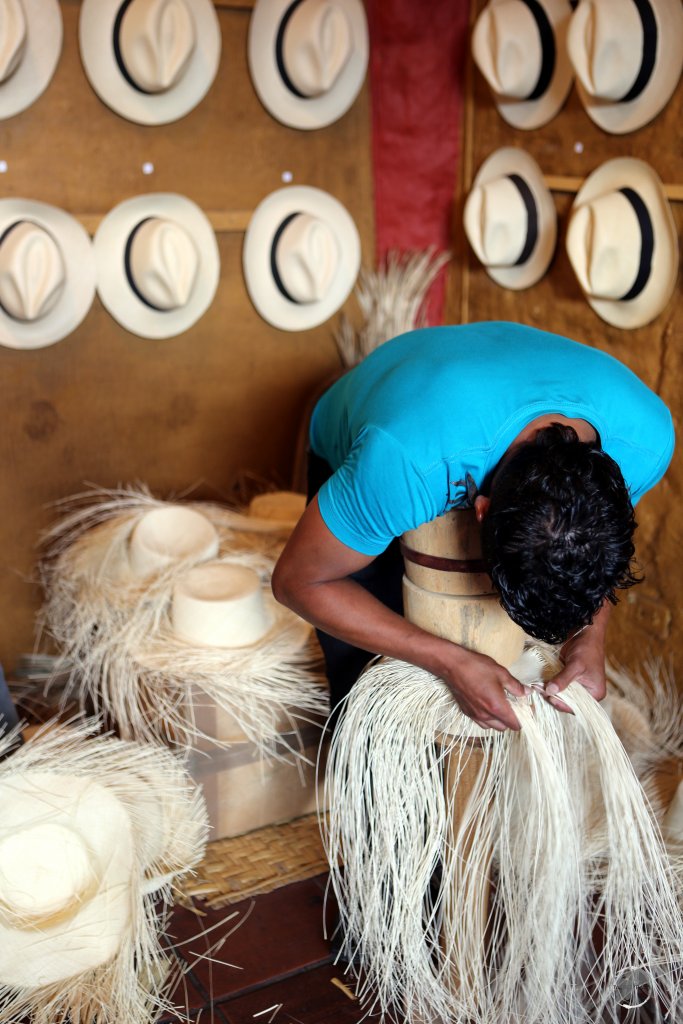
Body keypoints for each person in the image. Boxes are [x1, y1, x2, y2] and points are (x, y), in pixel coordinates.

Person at [272, 322, 674, 733]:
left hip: (465, 398)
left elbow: (599, 548)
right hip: (401, 414)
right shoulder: (401, 463)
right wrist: (449, 661)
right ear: (478, 511)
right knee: (365, 676)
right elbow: (297, 582)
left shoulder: (645, 442)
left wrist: (591, 634)